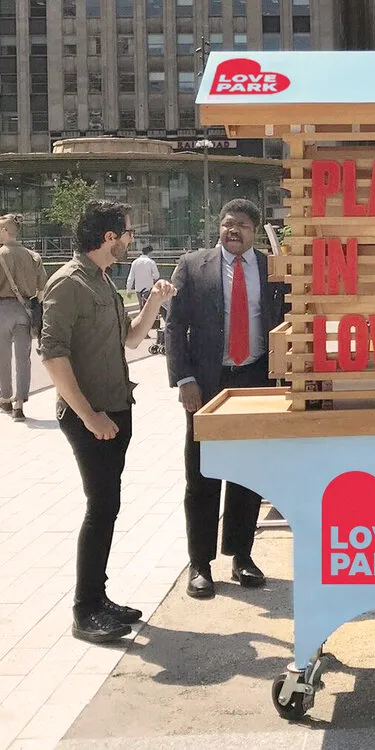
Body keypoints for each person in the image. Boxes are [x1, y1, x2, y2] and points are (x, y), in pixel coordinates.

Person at [40, 200, 176, 643]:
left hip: (115, 412)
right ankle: (85, 611)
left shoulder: (101, 280)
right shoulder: (68, 284)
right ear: (109, 238)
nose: (131, 239)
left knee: (108, 508)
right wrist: (89, 416)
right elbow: (52, 356)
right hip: (90, 417)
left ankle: (99, 599)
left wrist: (154, 302)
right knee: (100, 510)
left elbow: (132, 338)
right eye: (127, 233)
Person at [166, 198, 286, 599]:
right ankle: (200, 564)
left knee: (248, 473)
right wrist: (184, 379)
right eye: (227, 224)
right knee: (201, 474)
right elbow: (175, 326)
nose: (233, 231)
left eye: (243, 226)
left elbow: (287, 318)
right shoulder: (193, 265)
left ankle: (241, 556)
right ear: (219, 227)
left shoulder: (272, 269)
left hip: (254, 380)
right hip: (207, 385)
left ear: (256, 232)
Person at [0, 213, 47, 422]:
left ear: (5, 230)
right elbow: (43, 289)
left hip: (3, 309)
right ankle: (20, 404)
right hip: (26, 308)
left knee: (3, 357)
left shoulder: (1, 254)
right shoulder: (33, 256)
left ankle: (5, 398)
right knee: (23, 358)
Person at [126, 244, 159, 311]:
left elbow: (131, 277)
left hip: (138, 289)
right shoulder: (151, 262)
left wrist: (128, 290)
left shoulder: (135, 262)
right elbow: (157, 276)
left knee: (142, 307)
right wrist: (151, 276)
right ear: (150, 253)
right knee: (149, 308)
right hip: (148, 288)